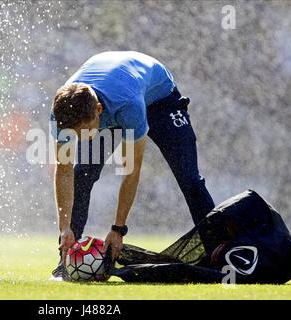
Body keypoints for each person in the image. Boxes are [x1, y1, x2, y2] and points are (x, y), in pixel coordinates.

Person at [50, 51, 215, 280]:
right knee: (82, 174)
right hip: (114, 94)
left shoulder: (129, 107)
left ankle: (222, 253)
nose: (82, 137)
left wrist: (118, 229)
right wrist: (64, 228)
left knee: (191, 182)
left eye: (85, 130)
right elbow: (64, 172)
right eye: (75, 133)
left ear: (98, 111)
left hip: (160, 101)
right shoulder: (62, 113)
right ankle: (66, 259)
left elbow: (131, 171)